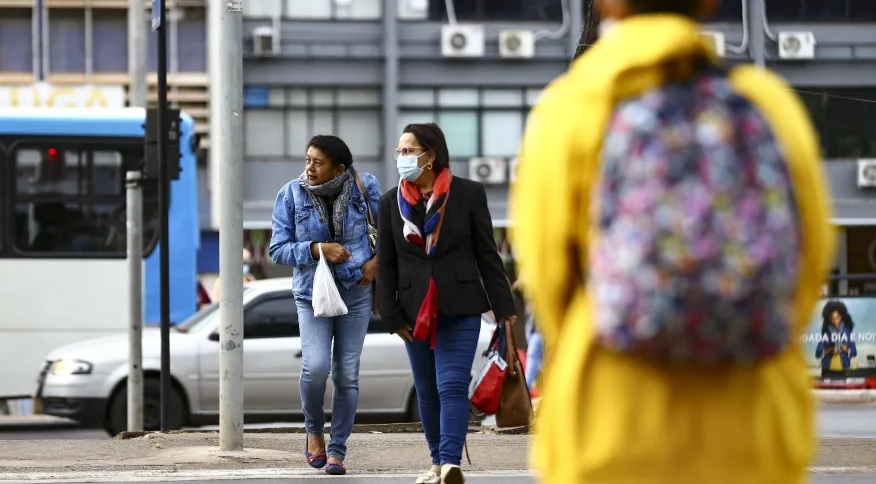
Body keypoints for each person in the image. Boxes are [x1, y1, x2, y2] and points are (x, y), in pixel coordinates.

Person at [509, 1, 837, 483]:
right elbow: (808, 262)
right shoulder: (767, 104)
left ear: (606, 4)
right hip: (755, 426)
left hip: (611, 426)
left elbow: (549, 276)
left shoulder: (572, 105)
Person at [376, 123, 516, 484]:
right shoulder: (391, 201)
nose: (402, 158)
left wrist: (505, 309)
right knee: (426, 389)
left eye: (409, 151)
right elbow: (386, 262)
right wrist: (390, 314)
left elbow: (488, 255)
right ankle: (437, 462)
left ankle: (451, 463)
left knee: (451, 385)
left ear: (430, 155)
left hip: (460, 304)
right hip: (411, 310)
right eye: (400, 152)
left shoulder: (468, 194)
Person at [268, 134, 381, 476]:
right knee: (316, 366)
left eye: (318, 162)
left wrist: (377, 264)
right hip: (311, 293)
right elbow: (277, 250)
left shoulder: (366, 186)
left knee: (347, 374)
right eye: (307, 160)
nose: (310, 168)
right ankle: (314, 431)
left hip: (356, 289)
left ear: (339, 168)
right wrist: (318, 249)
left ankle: (338, 450)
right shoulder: (290, 194)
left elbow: (391, 231)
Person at [816, 300, 858, 372]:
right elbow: (817, 354)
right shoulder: (826, 333)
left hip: (844, 369)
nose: (835, 321)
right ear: (828, 318)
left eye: (837, 318)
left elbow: (854, 352)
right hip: (827, 369)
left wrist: (846, 349)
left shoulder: (847, 333)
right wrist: (829, 350)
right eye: (832, 318)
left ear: (841, 317)